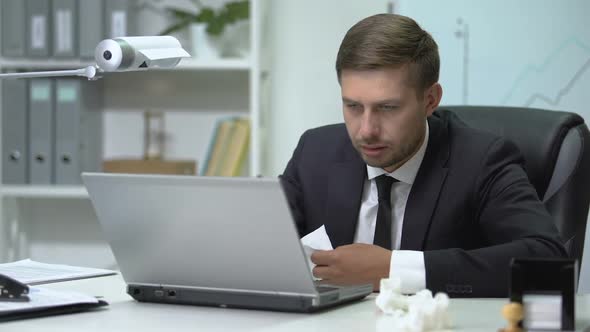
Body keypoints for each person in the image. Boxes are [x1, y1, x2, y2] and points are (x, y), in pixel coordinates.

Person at [279, 13, 567, 297]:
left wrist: (394, 270)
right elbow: (257, 242)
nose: (366, 130)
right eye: (353, 106)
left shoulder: (482, 160)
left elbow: (548, 261)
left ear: (430, 100)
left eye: (388, 108)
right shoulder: (315, 151)